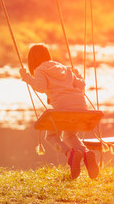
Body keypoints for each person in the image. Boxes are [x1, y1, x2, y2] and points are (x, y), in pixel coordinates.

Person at [19, 43, 99, 179]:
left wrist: (26, 78)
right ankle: (85, 153)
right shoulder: (63, 68)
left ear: (32, 61)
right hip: (81, 107)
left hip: (63, 108)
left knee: (50, 136)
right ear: (47, 55)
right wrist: (77, 74)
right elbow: (80, 85)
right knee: (69, 136)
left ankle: (70, 154)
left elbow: (40, 87)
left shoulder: (40, 69)